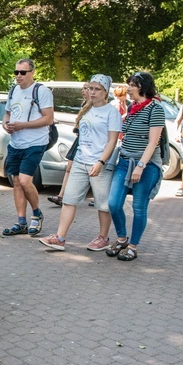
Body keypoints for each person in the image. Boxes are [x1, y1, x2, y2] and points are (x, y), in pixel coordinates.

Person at [38, 75, 121, 251]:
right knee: (69, 199)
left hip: (99, 164)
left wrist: (100, 161)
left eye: (97, 89)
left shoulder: (111, 112)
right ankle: (59, 237)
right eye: (90, 88)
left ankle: (103, 237)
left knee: (102, 204)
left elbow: (112, 141)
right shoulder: (86, 108)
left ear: (106, 91)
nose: (92, 92)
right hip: (80, 161)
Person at [105, 71, 165, 262]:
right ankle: (122, 238)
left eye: (132, 84)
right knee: (114, 204)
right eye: (129, 84)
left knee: (139, 207)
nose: (128, 88)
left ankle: (133, 246)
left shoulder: (155, 108)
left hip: (146, 165)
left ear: (143, 87)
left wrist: (140, 166)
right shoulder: (133, 106)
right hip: (124, 161)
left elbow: (153, 142)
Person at [1, 58, 54, 237]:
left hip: (35, 143)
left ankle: (37, 213)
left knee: (25, 181)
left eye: (22, 72)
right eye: (16, 72)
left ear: (32, 72)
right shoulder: (13, 90)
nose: (18, 76)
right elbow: (8, 113)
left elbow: (48, 119)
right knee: (16, 182)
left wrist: (23, 125)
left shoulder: (42, 91)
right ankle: (21, 221)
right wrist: (5, 124)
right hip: (15, 143)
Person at [48, 83, 91, 207]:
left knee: (80, 169)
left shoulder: (93, 106)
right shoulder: (84, 104)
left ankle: (68, 196)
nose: (83, 91)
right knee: (69, 167)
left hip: (85, 141)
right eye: (83, 88)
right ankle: (61, 196)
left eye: (87, 88)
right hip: (79, 139)